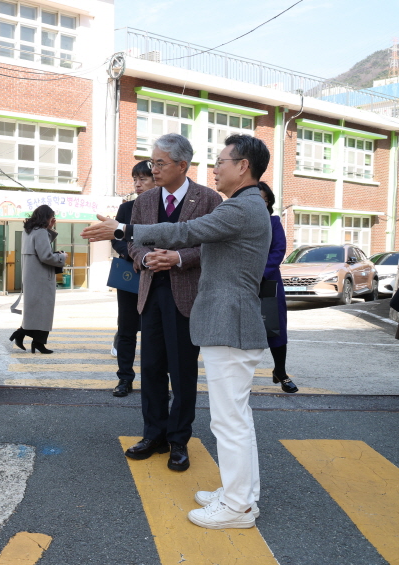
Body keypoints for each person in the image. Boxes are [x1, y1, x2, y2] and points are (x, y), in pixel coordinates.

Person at [84, 133, 273, 529]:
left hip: (229, 322)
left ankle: (237, 507)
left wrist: (124, 229)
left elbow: (185, 234)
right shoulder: (246, 205)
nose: (216, 167)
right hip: (226, 320)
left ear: (243, 166)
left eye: (222, 161)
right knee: (236, 417)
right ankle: (242, 496)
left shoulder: (240, 207)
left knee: (229, 421)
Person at [116, 134, 222, 472]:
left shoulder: (208, 199)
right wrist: (146, 259)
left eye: (160, 163)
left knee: (182, 370)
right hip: (150, 293)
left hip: (187, 295)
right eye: (152, 162)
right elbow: (133, 242)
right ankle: (154, 434)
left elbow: (213, 246)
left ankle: (179, 439)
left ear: (182, 165)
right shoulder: (144, 200)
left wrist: (177, 257)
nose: (153, 169)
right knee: (151, 368)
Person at [111, 161, 155, 397]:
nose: (138, 184)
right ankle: (125, 378)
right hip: (130, 276)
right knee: (127, 330)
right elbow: (117, 238)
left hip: (157, 275)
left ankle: (156, 381)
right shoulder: (126, 208)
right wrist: (133, 254)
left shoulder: (163, 208)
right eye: (135, 179)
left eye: (143, 179)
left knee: (153, 332)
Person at [9, 205, 66, 354]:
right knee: (43, 311)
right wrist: (61, 257)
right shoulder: (40, 232)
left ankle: (28, 338)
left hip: (31, 276)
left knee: (36, 310)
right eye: (51, 217)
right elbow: (46, 256)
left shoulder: (28, 231)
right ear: (47, 217)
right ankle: (34, 341)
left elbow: (41, 248)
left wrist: (49, 227)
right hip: (41, 276)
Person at [259, 181, 298, 393]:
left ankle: (280, 372)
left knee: (275, 328)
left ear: (268, 203)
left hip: (269, 282)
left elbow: (278, 250)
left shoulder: (274, 223)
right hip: (242, 283)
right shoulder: (240, 222)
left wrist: (260, 274)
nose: (258, 203)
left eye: (262, 199)